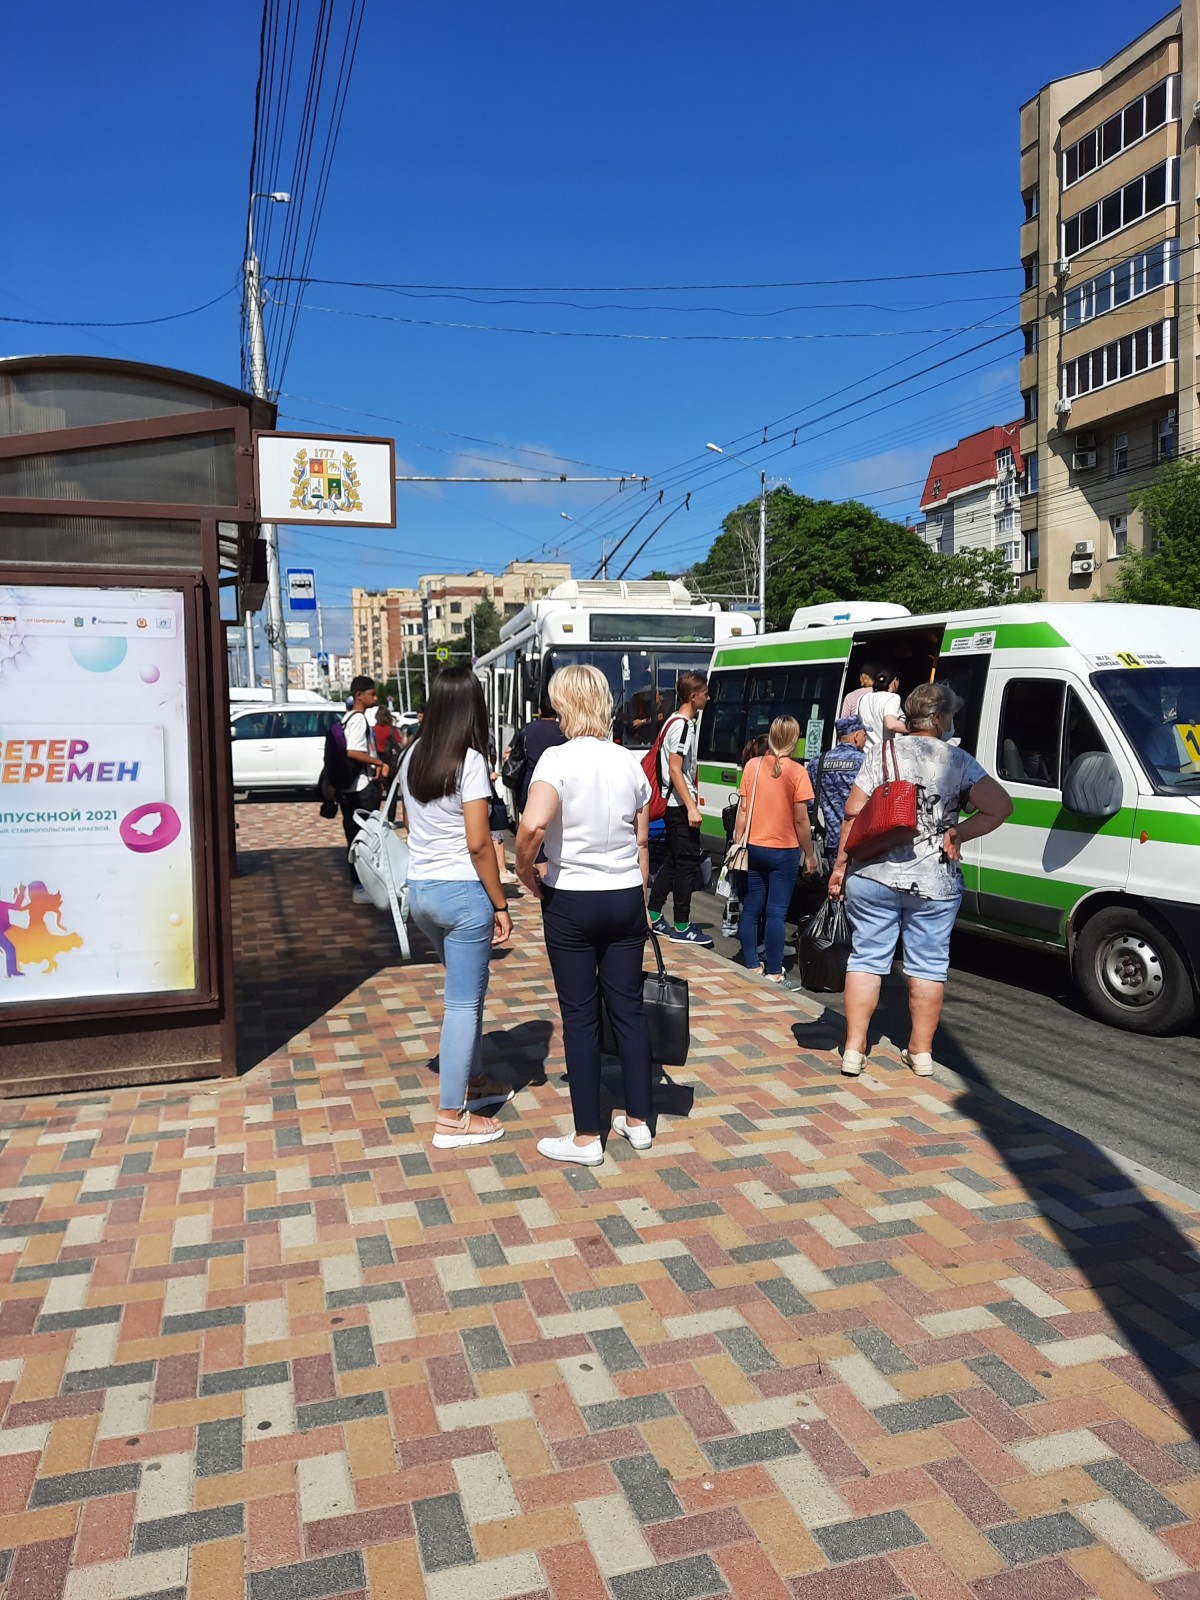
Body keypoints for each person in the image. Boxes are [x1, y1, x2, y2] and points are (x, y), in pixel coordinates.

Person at [827, 682, 1013, 1078]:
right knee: (928, 966)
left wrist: (841, 867)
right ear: (941, 719)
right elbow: (1000, 807)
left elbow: (852, 812)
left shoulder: (882, 752)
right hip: (934, 881)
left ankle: (854, 1049)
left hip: (874, 874)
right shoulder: (959, 761)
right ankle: (921, 1052)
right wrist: (959, 832)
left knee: (866, 958)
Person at [515, 665, 655, 1167]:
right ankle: (638, 1120)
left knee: (579, 1016)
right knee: (628, 1008)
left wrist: (525, 872)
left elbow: (532, 825)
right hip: (623, 894)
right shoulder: (628, 761)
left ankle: (585, 1137)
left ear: (562, 706)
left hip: (572, 896)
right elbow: (641, 838)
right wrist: (640, 889)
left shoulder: (556, 759)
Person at [399, 668, 515, 1149]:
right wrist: (501, 903)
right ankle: (451, 1118)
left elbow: (409, 824)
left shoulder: (411, 757)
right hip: (463, 893)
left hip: (420, 891)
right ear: (473, 709)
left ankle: (473, 1080)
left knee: (467, 992)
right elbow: (478, 843)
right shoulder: (468, 761)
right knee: (463, 1003)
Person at [732, 717, 818, 982]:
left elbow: (742, 811)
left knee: (751, 908)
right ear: (795, 739)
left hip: (754, 847)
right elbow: (801, 819)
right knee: (776, 913)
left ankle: (750, 964)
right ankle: (773, 972)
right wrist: (810, 854)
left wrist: (738, 843)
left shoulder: (753, 766)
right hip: (784, 851)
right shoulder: (798, 772)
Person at [648, 671, 712, 946]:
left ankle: (652, 915)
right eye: (705, 693)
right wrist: (691, 807)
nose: (708, 697)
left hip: (676, 804)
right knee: (686, 864)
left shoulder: (671, 722)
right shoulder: (683, 726)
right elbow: (675, 769)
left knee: (674, 862)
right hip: (679, 805)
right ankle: (682, 926)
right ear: (692, 696)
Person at [340, 676, 387, 904]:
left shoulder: (347, 718)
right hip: (360, 788)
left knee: (355, 835)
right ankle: (361, 885)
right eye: (372, 694)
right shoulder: (358, 720)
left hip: (350, 788)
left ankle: (361, 883)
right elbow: (352, 752)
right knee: (364, 837)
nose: (375, 698)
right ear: (359, 695)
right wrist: (378, 763)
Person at [806, 713, 867, 860]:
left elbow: (808, 801)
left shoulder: (817, 762)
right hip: (861, 840)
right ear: (857, 736)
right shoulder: (866, 761)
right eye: (865, 736)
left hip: (831, 842)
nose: (865, 741)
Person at [506, 691, 567, 816]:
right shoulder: (565, 731)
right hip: (559, 786)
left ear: (539, 711)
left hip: (530, 784)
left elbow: (509, 751)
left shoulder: (527, 729)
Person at [855, 666, 908, 750]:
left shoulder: (861, 699)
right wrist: (916, 728)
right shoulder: (893, 698)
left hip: (866, 756)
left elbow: (856, 726)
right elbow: (891, 724)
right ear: (895, 681)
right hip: (885, 755)